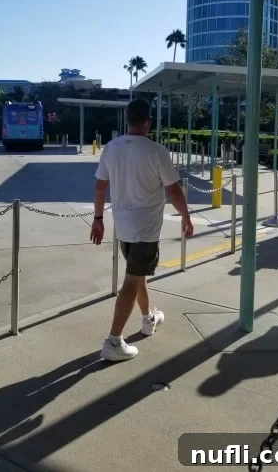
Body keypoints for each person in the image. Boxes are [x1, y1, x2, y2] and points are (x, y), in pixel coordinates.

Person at [90, 98, 194, 362]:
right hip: (146, 229)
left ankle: (148, 320)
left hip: (123, 227)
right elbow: (173, 190)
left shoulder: (111, 148)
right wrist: (186, 216)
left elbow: (100, 186)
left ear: (128, 120)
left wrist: (98, 218)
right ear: (148, 121)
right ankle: (113, 341)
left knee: (137, 276)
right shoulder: (157, 151)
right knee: (132, 280)